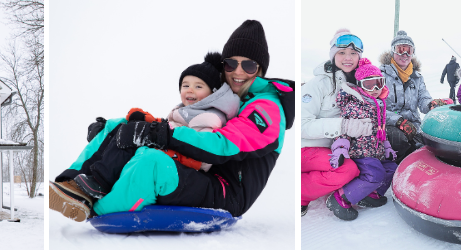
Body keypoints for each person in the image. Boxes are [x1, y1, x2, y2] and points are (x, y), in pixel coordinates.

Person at [50, 20, 294, 221]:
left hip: (225, 192)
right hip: (203, 177)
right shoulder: (235, 99)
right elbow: (185, 123)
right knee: (119, 126)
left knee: (153, 162)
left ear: (261, 69)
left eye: (248, 65)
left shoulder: (266, 107)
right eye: (231, 63)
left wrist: (159, 133)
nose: (238, 71)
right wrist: (139, 123)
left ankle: (97, 210)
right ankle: (74, 186)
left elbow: (223, 145)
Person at [62, 52, 240, 202]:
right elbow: (168, 127)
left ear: (212, 93)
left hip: (183, 167)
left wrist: (163, 148)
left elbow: (203, 160)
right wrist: (145, 118)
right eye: (185, 85)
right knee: (123, 130)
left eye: (198, 86)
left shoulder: (209, 116)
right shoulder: (186, 111)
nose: (189, 90)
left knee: (131, 141)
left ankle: (100, 183)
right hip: (172, 155)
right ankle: (77, 179)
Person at [301, 29, 368, 216]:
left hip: (334, 148)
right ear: (333, 55)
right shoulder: (318, 84)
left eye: (353, 53)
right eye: (342, 52)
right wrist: (342, 126)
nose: (348, 57)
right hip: (304, 148)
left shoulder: (356, 83)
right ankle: (298, 193)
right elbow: (301, 125)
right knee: (347, 170)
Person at [324, 58, 398, 221]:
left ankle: (369, 194)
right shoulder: (354, 105)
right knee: (374, 174)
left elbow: (381, 130)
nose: (375, 89)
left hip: (376, 150)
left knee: (392, 168)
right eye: (369, 85)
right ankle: (340, 198)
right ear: (360, 85)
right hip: (360, 151)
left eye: (379, 83)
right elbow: (343, 128)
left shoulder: (379, 104)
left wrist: (386, 147)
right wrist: (341, 149)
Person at [378, 30, 445, 163]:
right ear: (393, 52)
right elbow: (377, 106)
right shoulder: (381, 75)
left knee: (428, 146)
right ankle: (396, 166)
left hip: (413, 126)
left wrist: (431, 104)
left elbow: (423, 99)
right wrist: (399, 121)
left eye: (409, 50)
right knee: (399, 140)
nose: (405, 54)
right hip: (390, 124)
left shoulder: (416, 78)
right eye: (400, 50)